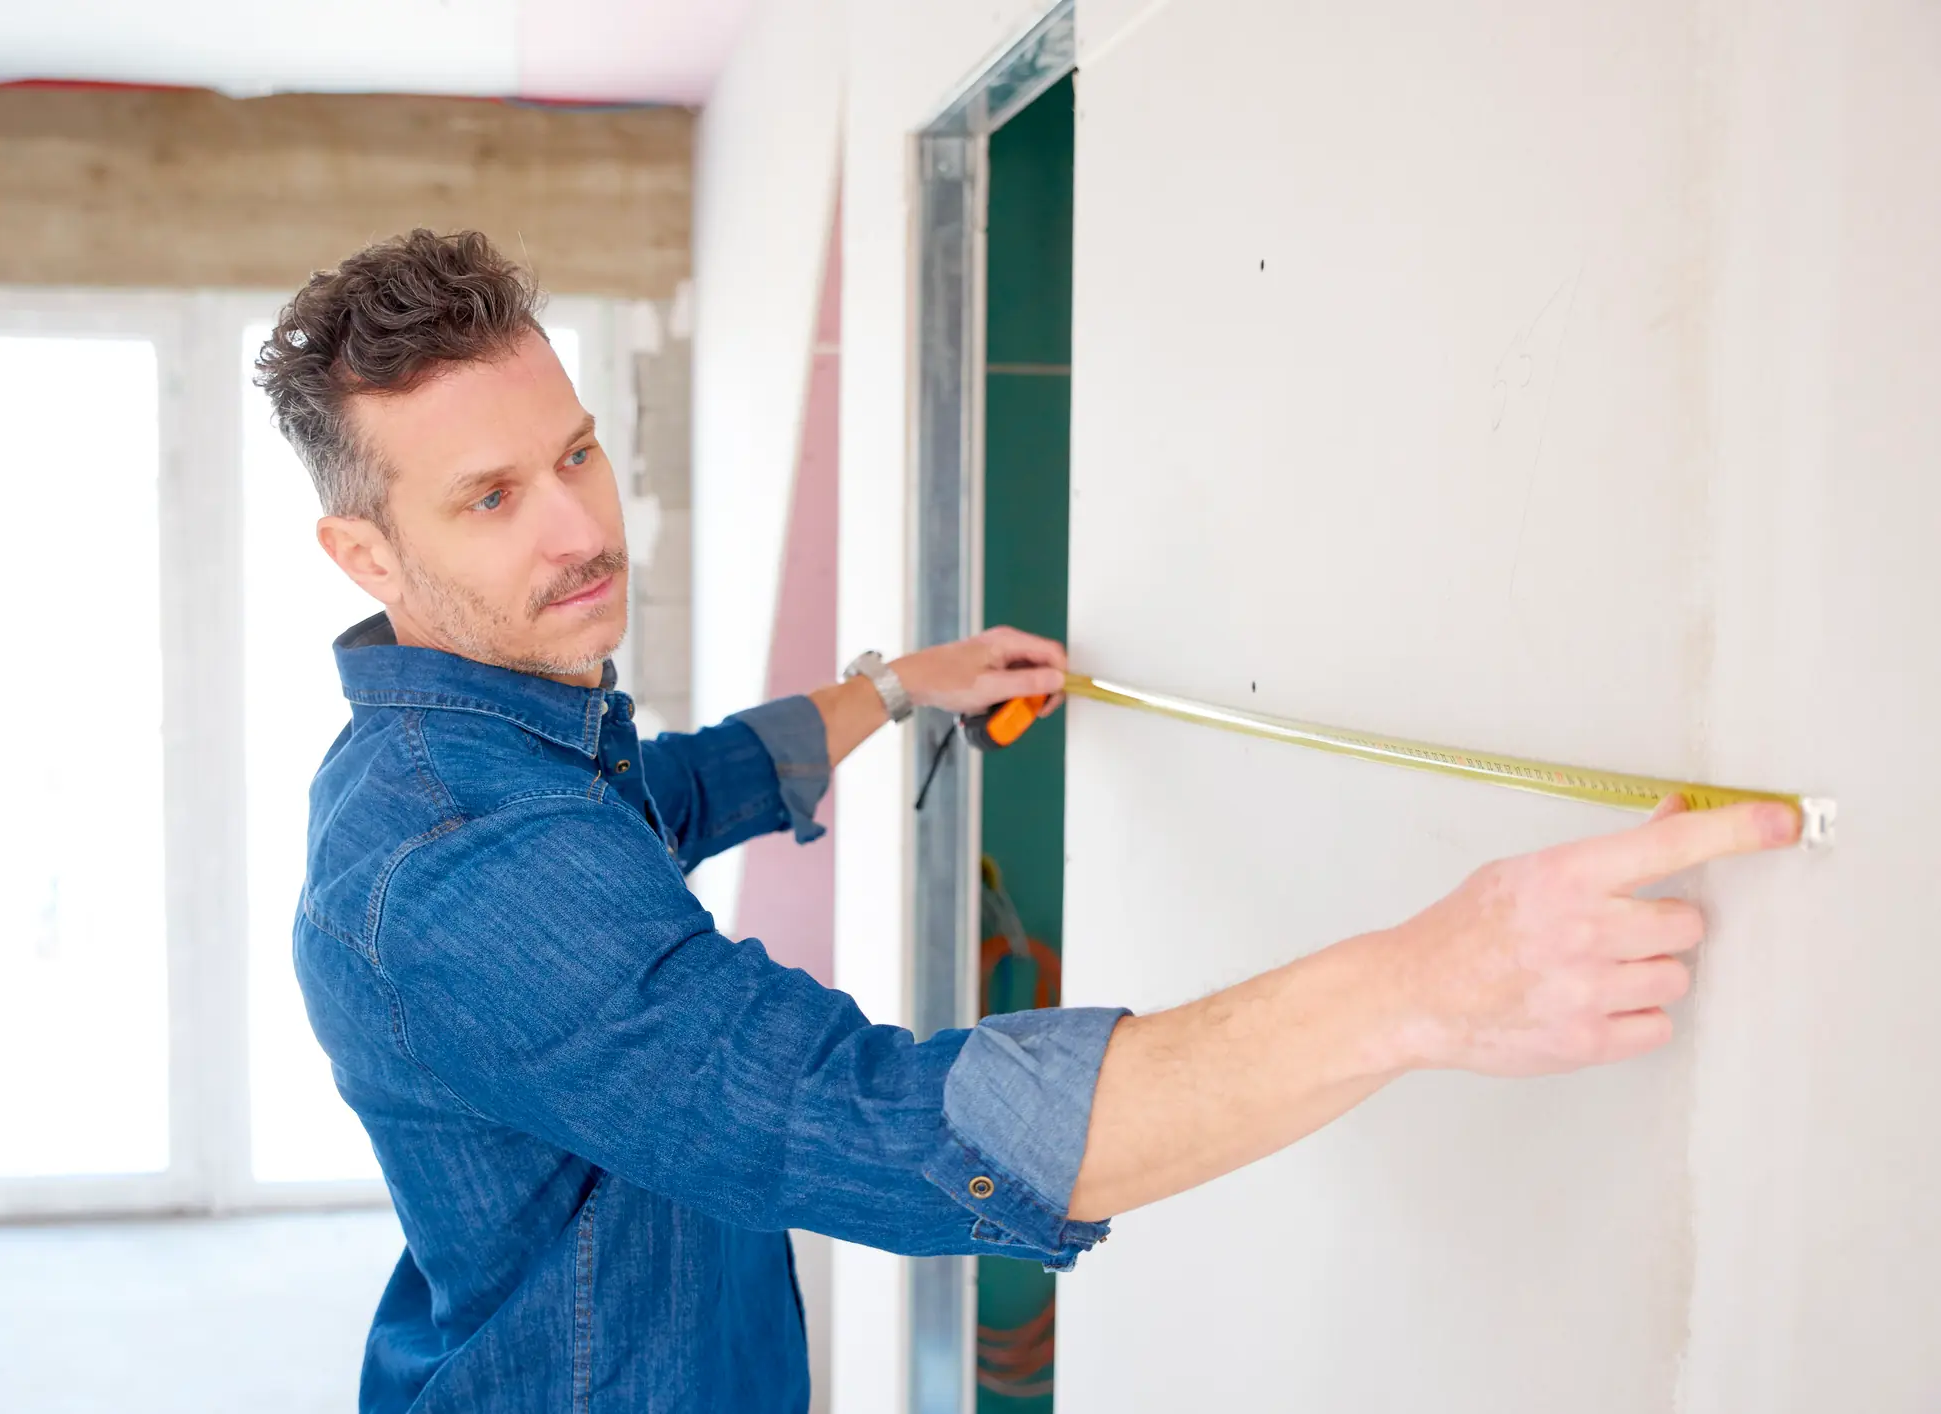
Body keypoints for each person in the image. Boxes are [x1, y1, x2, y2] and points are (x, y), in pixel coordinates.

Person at [254, 229, 1799, 1414]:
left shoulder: (494, 753)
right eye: (491, 498)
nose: (584, 526)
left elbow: (676, 791)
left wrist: (891, 686)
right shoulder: (459, 869)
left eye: (576, 451)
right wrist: (1418, 983)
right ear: (363, 552)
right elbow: (887, 1125)